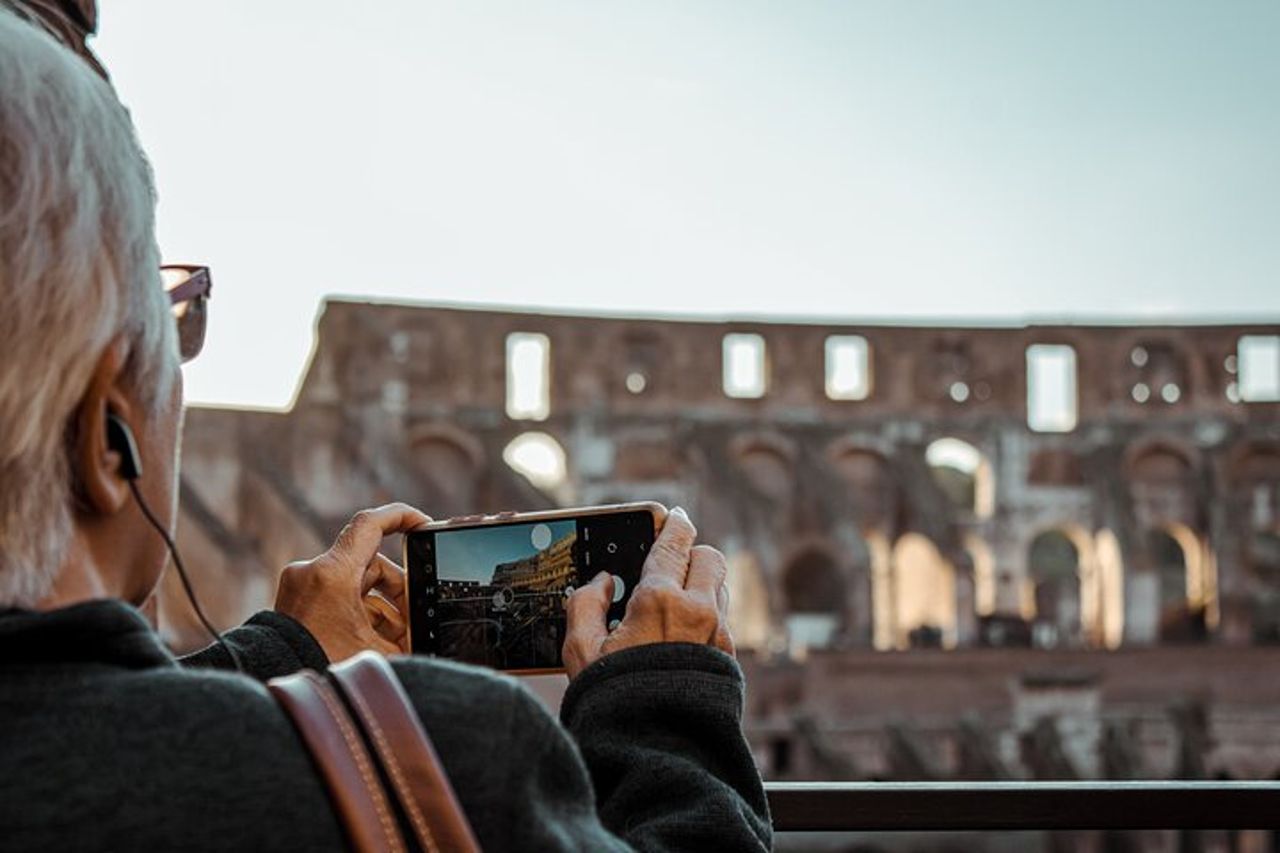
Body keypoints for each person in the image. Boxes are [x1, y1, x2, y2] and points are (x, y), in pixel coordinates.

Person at [0, 5, 772, 851]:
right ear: (107, 433)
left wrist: (278, 653)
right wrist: (662, 705)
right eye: (177, 319)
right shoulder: (430, 762)